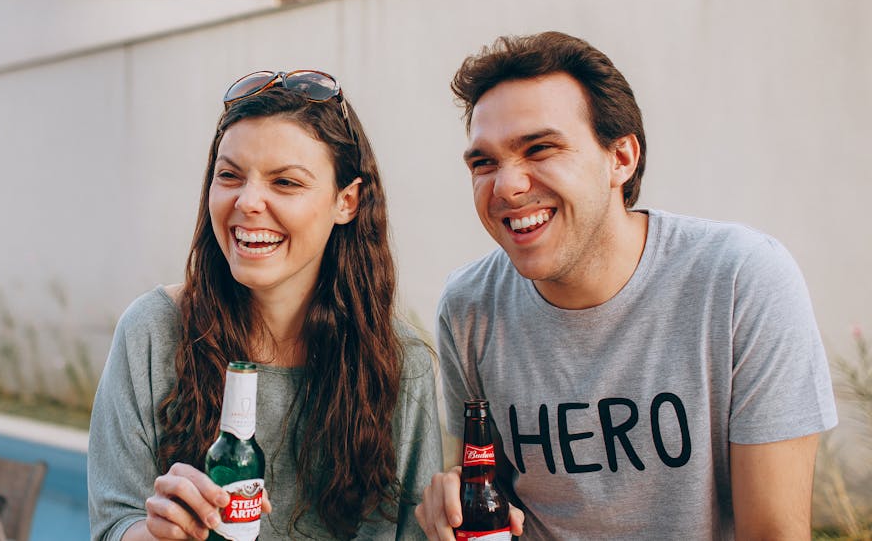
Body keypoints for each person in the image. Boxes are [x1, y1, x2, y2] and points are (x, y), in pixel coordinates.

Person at [416, 31, 837, 539]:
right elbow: (494, 499)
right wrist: (458, 503)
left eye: (540, 148)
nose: (506, 186)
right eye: (484, 162)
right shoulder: (469, 306)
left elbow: (774, 532)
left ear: (621, 158)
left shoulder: (740, 280)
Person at [88, 70, 442, 540]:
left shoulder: (398, 363)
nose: (248, 201)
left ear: (347, 200)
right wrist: (160, 532)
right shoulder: (152, 332)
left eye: (286, 182)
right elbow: (114, 524)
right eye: (230, 175)